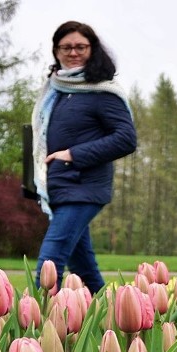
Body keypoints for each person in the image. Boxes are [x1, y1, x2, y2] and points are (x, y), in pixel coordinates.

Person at [32, 21, 137, 294]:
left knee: (48, 265)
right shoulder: (55, 90)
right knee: (85, 270)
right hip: (59, 186)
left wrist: (72, 154)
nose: (73, 52)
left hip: (84, 187)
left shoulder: (102, 91)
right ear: (56, 51)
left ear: (92, 49)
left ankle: (37, 329)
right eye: (66, 47)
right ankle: (113, 320)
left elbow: (126, 139)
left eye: (80, 46)